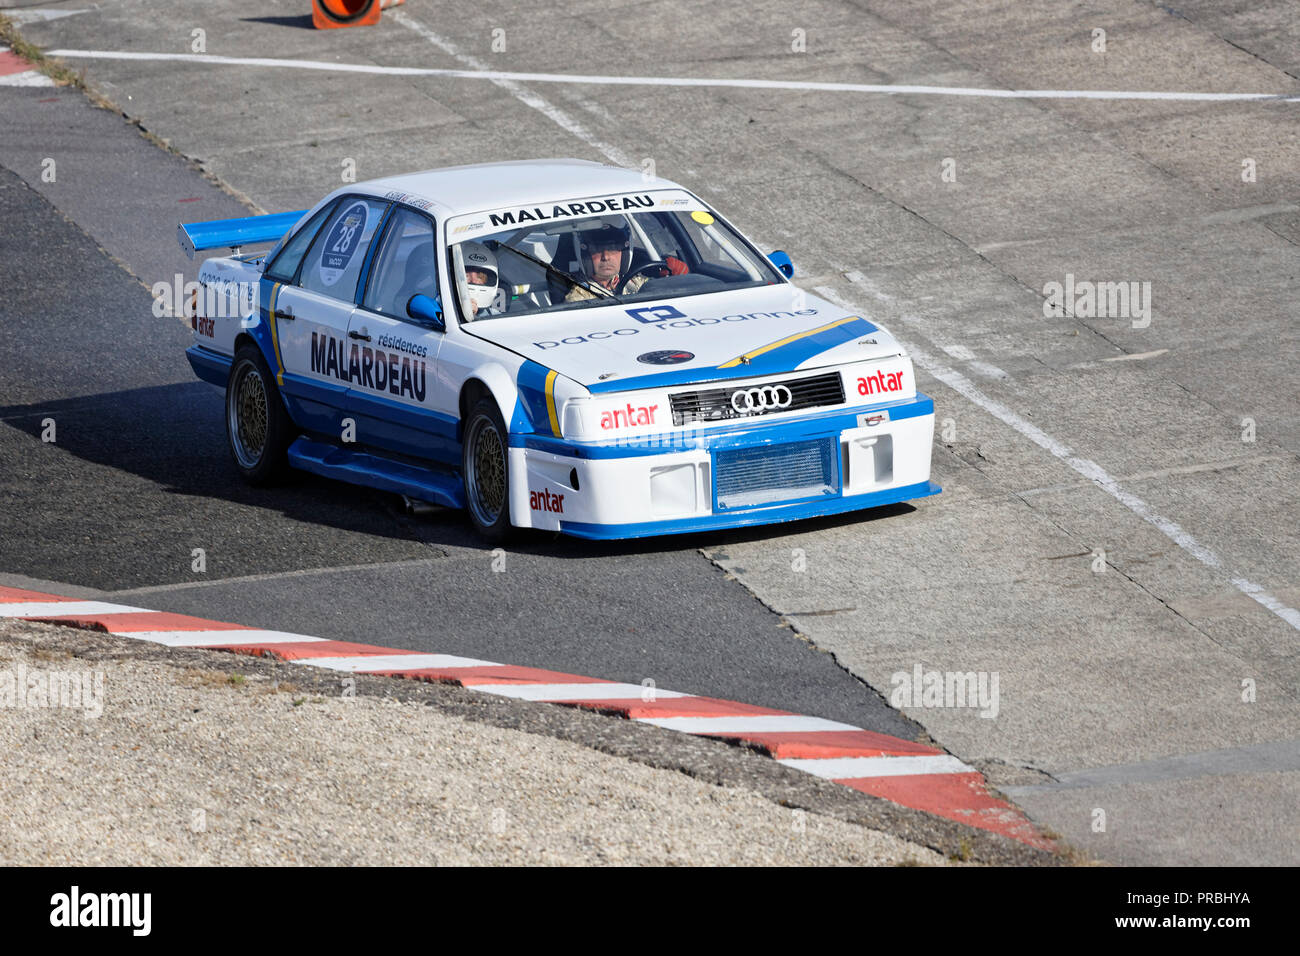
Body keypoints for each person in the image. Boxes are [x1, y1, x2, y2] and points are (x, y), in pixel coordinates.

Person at [564, 218, 687, 302]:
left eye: (613, 249)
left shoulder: (635, 282)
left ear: (624, 253)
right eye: (596, 250)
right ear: (585, 255)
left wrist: (677, 281)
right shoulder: (579, 296)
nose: (606, 257)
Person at [458, 241, 503, 319]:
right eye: (466, 276)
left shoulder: (495, 316)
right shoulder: (442, 308)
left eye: (480, 277)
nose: (474, 281)